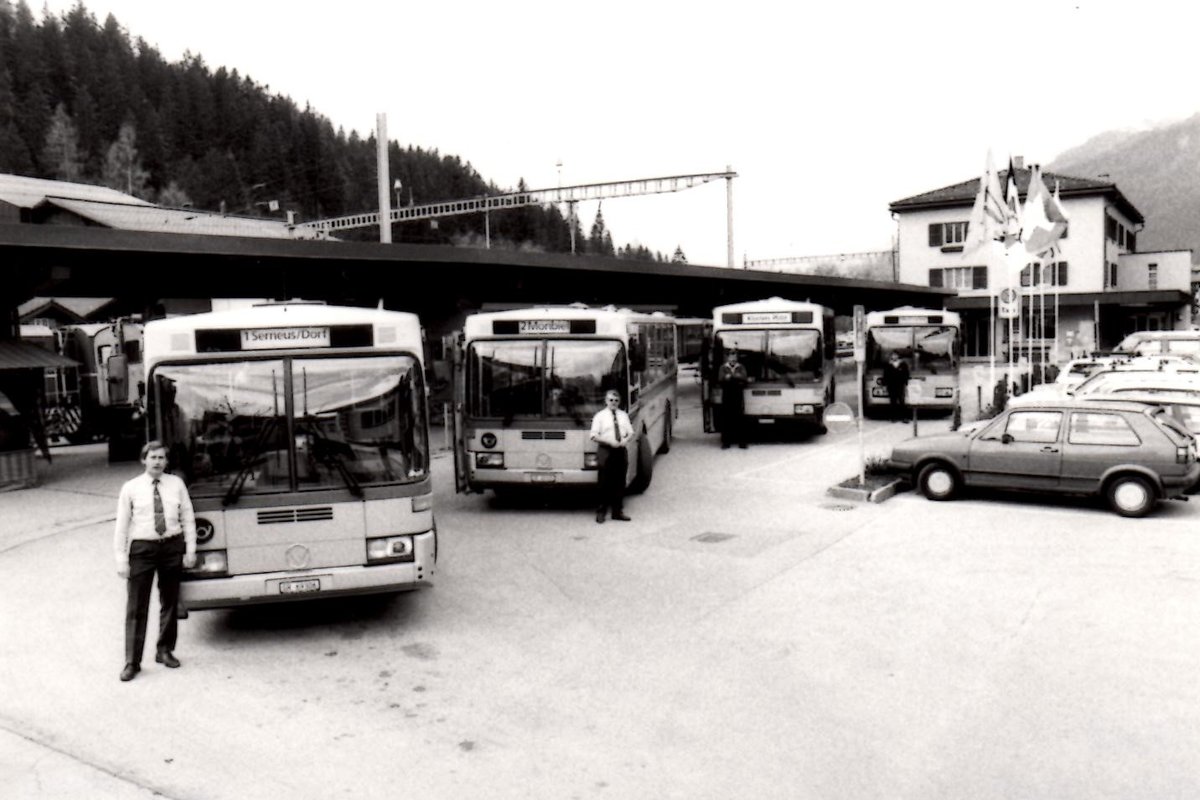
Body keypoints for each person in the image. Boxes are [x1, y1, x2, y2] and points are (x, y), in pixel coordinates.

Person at [113, 440, 197, 682]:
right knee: (136, 607)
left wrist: (190, 549)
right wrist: (121, 559)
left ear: (166, 461)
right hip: (142, 549)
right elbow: (122, 526)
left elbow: (188, 517)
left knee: (169, 602)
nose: (157, 462)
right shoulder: (131, 488)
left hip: (171, 546)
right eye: (153, 457)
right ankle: (132, 661)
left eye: (161, 458)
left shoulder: (176, 484)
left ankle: (164, 650)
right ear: (144, 460)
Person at [589, 389, 633, 523]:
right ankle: (601, 512)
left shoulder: (623, 415)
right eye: (611, 400)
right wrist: (609, 441)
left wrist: (626, 440)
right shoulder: (599, 416)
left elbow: (631, 432)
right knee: (604, 483)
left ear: (619, 402)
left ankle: (617, 511)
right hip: (606, 451)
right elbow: (594, 435)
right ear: (606, 401)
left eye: (616, 400)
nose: (613, 403)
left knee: (620, 482)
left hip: (620, 450)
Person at [717, 349, 749, 448]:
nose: (733, 358)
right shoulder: (723, 367)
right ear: (728, 357)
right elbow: (721, 378)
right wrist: (736, 377)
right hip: (727, 395)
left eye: (735, 356)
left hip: (738, 395)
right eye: (731, 356)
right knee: (726, 418)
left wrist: (730, 377)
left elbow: (744, 377)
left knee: (739, 418)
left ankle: (742, 442)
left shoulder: (741, 367)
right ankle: (726, 442)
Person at [883, 352, 911, 421]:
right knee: (893, 402)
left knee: (902, 401)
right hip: (891, 386)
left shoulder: (903, 364)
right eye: (893, 355)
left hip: (900, 385)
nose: (894, 356)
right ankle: (894, 417)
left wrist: (905, 382)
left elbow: (906, 374)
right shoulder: (888, 365)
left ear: (898, 356)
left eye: (895, 355)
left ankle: (904, 417)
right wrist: (885, 384)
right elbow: (885, 375)